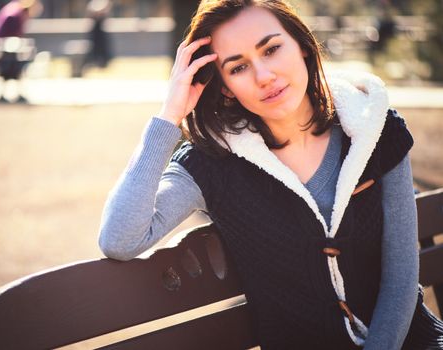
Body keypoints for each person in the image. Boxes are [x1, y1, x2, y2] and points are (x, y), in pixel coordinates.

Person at [98, 1, 443, 349]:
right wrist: (169, 114)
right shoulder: (211, 163)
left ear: (303, 46)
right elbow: (120, 238)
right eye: (238, 67)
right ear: (225, 87)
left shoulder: (374, 129)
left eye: (272, 49)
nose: (264, 76)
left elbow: (401, 281)